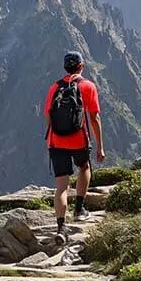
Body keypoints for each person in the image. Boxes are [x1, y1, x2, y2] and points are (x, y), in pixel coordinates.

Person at [44, 51, 104, 235]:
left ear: (65, 67)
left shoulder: (54, 87)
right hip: (79, 139)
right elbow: (94, 118)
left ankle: (61, 227)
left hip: (56, 141)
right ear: (81, 66)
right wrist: (100, 146)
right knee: (84, 168)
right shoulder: (88, 86)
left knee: (62, 186)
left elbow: (48, 116)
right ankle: (79, 209)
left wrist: (56, 134)